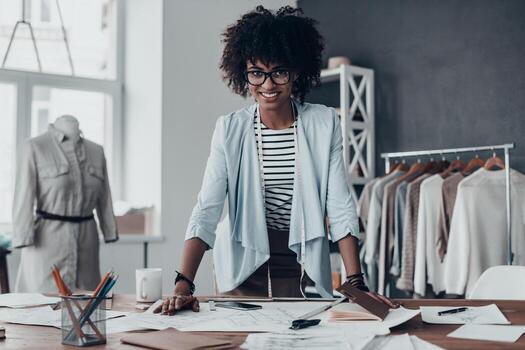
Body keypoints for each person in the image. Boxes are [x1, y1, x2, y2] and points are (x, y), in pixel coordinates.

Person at [155, 6, 397, 315]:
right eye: (257, 73)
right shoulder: (229, 129)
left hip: (300, 260)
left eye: (279, 72)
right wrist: (183, 283)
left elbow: (340, 206)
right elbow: (207, 209)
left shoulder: (323, 124)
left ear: (295, 71)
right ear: (243, 73)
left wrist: (356, 283)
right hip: (242, 260)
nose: (268, 85)